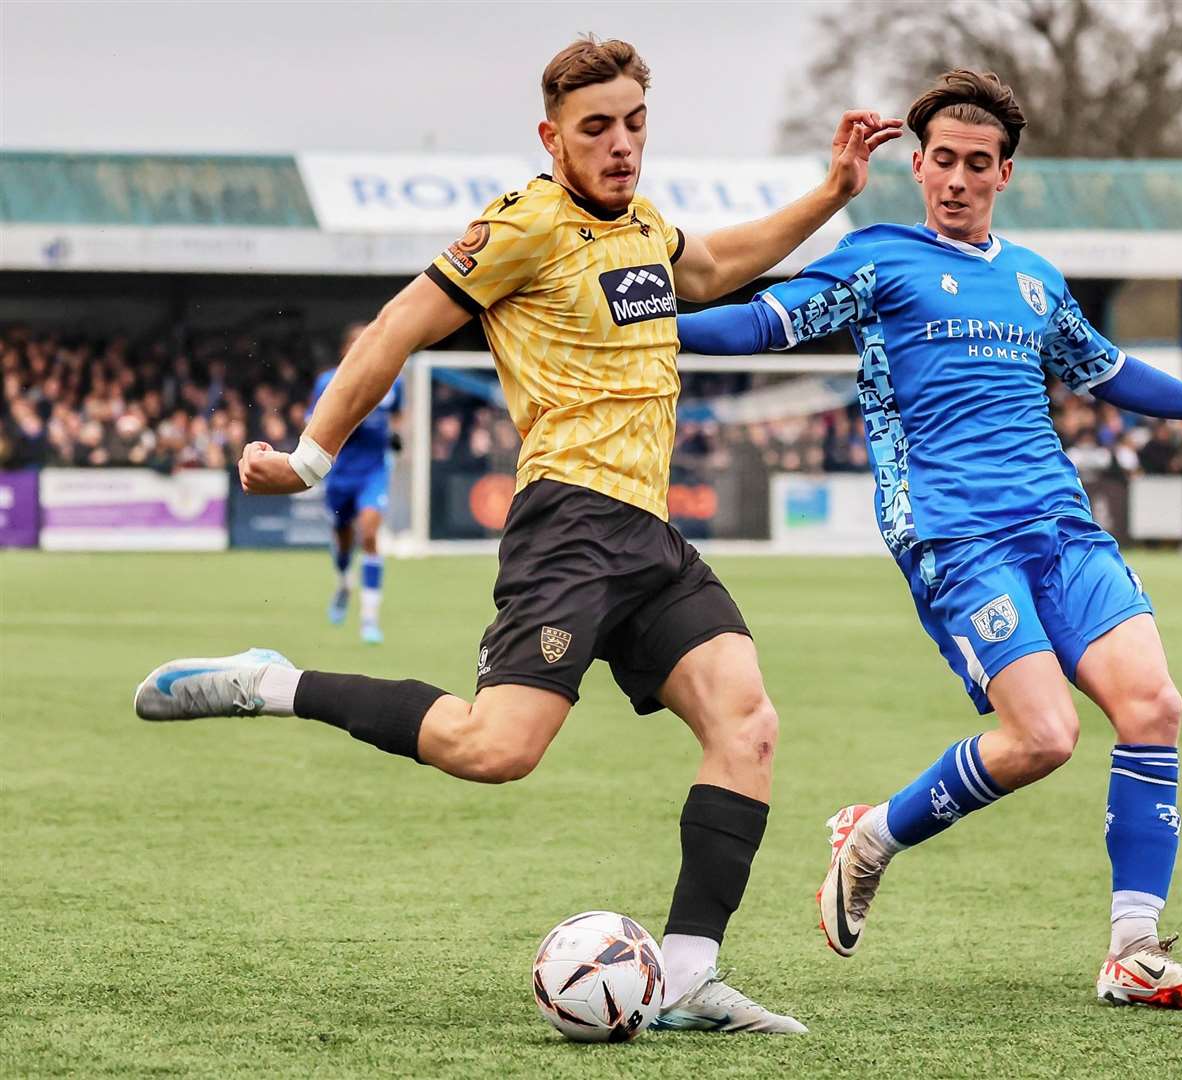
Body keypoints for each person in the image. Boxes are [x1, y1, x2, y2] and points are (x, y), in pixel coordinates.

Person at [132, 35, 900, 1035]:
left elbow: (714, 265)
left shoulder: (645, 226)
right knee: (494, 749)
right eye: (595, 129)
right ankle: (272, 681)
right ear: (551, 137)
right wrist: (310, 459)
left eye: (632, 124)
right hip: (568, 527)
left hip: (647, 537)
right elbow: (399, 326)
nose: (620, 145)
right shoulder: (519, 226)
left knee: (745, 724)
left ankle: (683, 976)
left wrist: (834, 189)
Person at [678, 68, 1182, 1012]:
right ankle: (872, 836)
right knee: (1044, 736)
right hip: (955, 536)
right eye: (940, 159)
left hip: (1062, 528)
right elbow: (760, 321)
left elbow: (1106, 371)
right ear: (916, 162)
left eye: (975, 164)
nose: (955, 177)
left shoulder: (1034, 279)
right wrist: (645, 324)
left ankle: (1133, 950)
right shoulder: (878, 259)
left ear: (1005, 173)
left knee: (1153, 704)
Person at [310, 322, 401, 643]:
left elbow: (398, 416)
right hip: (340, 473)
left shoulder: (392, 380)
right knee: (344, 539)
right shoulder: (327, 382)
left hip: (373, 472)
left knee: (370, 534)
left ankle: (369, 619)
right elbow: (313, 422)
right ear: (346, 350)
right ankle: (344, 582)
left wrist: (396, 438)